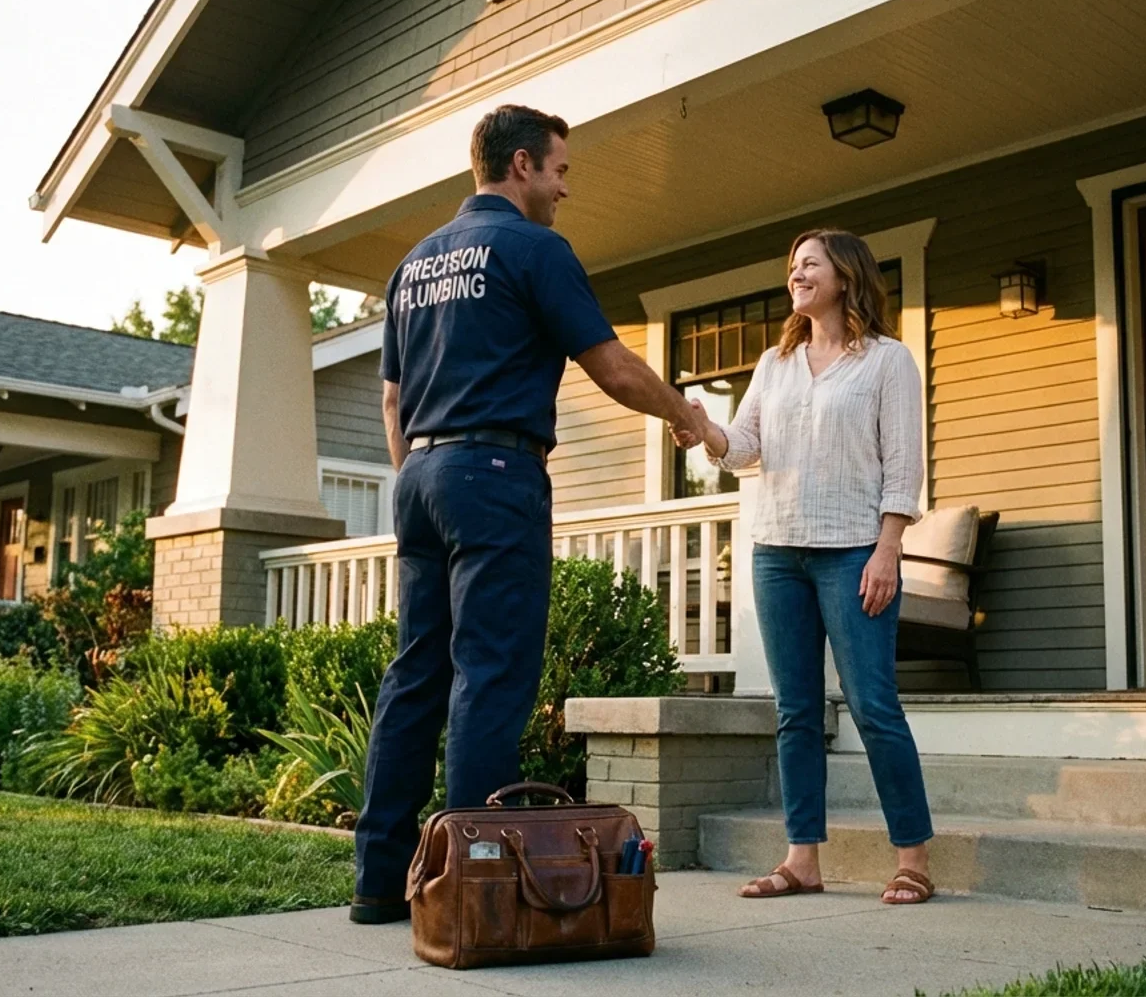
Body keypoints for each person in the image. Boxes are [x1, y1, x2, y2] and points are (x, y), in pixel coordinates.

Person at [352, 104, 708, 925]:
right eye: (559, 169)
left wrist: (420, 480)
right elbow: (613, 368)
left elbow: (393, 397)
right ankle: (472, 886)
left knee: (417, 673)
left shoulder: (415, 264)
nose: (564, 188)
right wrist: (686, 415)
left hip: (422, 475)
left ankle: (378, 883)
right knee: (492, 673)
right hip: (496, 469)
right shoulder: (533, 249)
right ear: (519, 166)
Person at [674, 229, 935, 905]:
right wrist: (705, 429)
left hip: (853, 551)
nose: (796, 275)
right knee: (794, 712)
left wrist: (888, 548)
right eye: (791, 266)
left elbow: (903, 467)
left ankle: (912, 858)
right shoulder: (776, 362)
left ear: (845, 277)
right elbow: (746, 446)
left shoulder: (887, 362)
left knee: (874, 706)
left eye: (808, 264)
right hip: (778, 551)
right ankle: (802, 859)